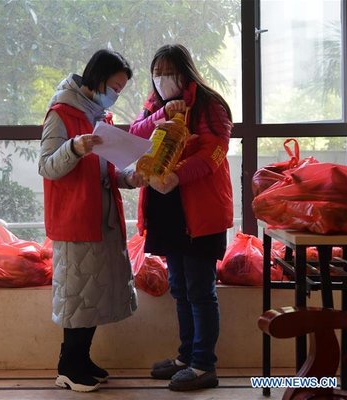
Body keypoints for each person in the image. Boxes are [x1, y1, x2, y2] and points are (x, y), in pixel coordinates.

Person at [129, 44, 233, 391]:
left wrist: (178, 175)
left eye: (168, 72)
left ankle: (204, 365)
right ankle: (186, 357)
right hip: (166, 211)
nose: (161, 80)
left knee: (200, 291)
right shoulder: (154, 105)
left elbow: (214, 151)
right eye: (156, 73)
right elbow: (135, 135)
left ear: (185, 72)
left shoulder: (209, 104)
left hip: (200, 212)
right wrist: (161, 115)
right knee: (180, 288)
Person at [38, 49, 144, 392]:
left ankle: (81, 359)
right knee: (77, 295)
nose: (115, 94)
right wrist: (74, 148)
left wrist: (131, 177)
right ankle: (68, 366)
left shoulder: (101, 117)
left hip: (102, 217)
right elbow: (47, 167)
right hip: (76, 217)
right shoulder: (61, 114)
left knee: (92, 294)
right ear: (97, 79)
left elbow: (109, 170)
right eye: (114, 86)